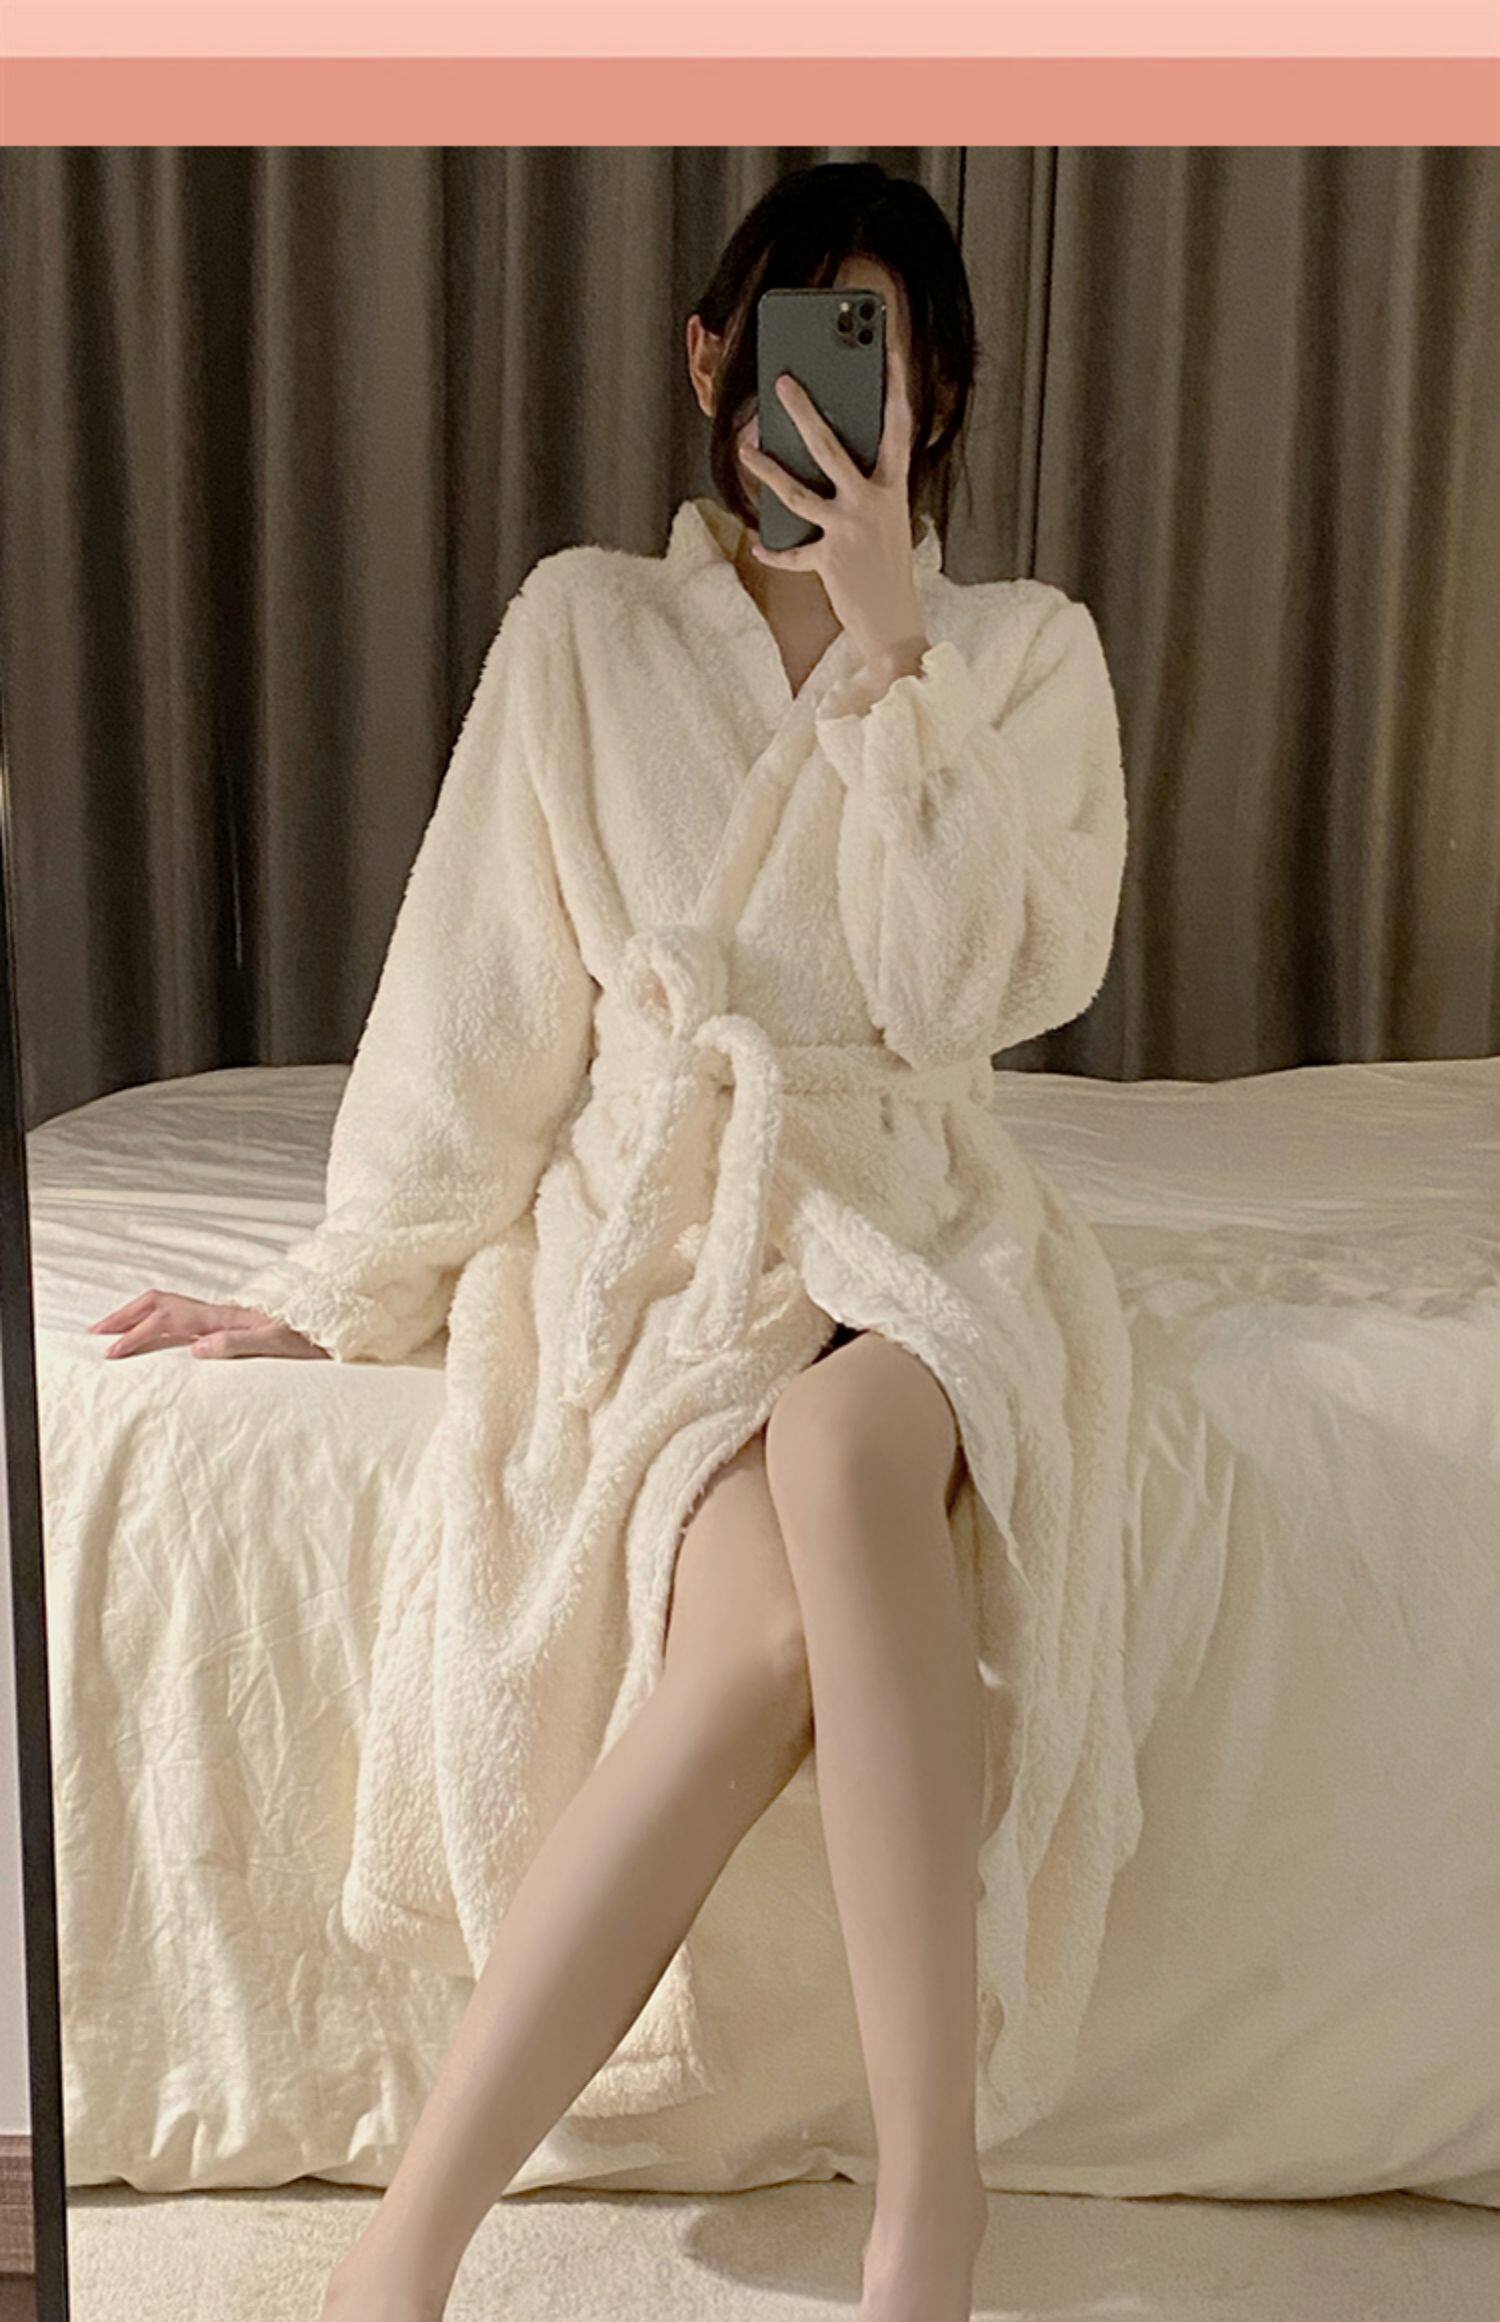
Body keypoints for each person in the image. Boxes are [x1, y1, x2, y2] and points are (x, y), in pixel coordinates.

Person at [91, 161, 1134, 2322]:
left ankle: (925, 2218)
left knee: (848, 1447)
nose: (824, 400)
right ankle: (406, 2255)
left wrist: (898, 661)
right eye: (789, 343)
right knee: (751, 1643)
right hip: (673, 1243)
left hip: (913, 1208)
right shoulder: (584, 628)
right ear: (707, 358)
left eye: (879, 356)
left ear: (937, 398)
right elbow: (476, 1001)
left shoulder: (1019, 656)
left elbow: (966, 993)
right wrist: (338, 1288)